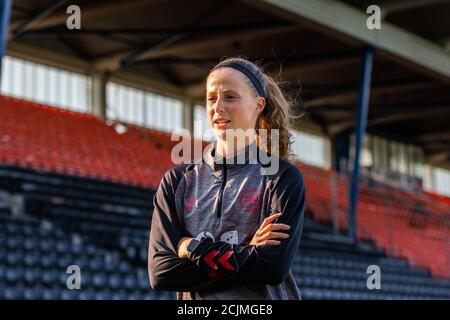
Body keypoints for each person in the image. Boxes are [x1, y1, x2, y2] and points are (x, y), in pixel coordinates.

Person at [148, 57, 305, 300]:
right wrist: (247, 253)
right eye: (212, 98)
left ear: (258, 105)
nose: (218, 107)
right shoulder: (177, 181)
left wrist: (191, 248)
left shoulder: (281, 177)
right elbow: (161, 272)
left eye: (230, 97)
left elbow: (272, 267)